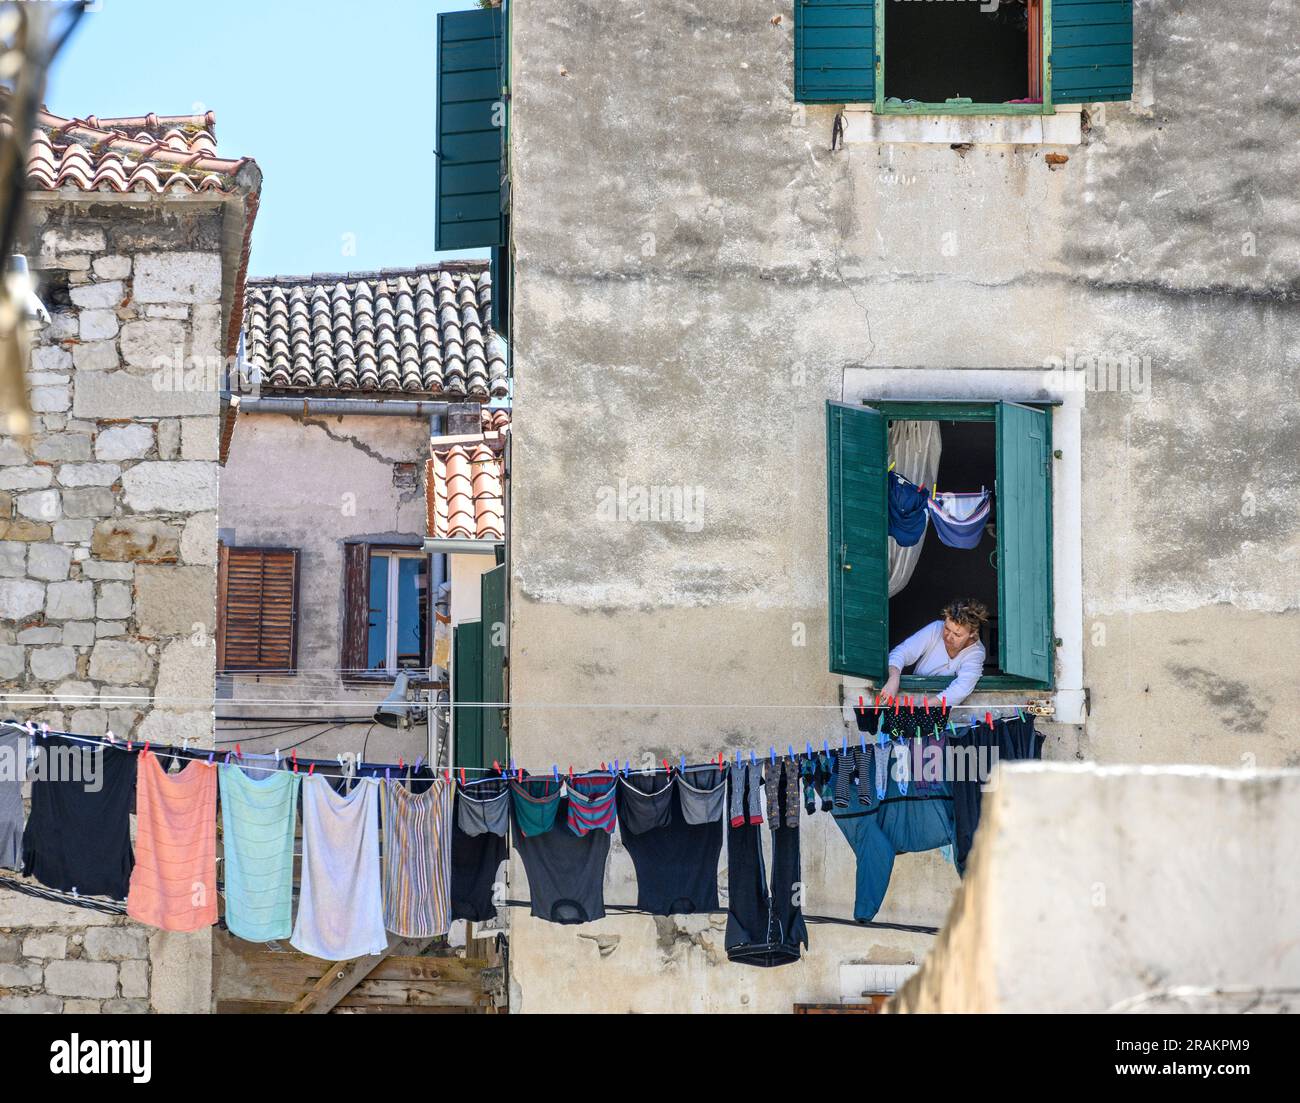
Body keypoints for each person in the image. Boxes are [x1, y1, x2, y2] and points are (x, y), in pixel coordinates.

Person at [879, 599, 988, 707]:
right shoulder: (935, 629)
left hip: (944, 713)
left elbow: (962, 688)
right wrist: (893, 679)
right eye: (947, 628)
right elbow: (901, 653)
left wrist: (921, 709)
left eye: (957, 634)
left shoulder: (976, 652)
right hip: (914, 700)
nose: (949, 637)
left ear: (972, 633)